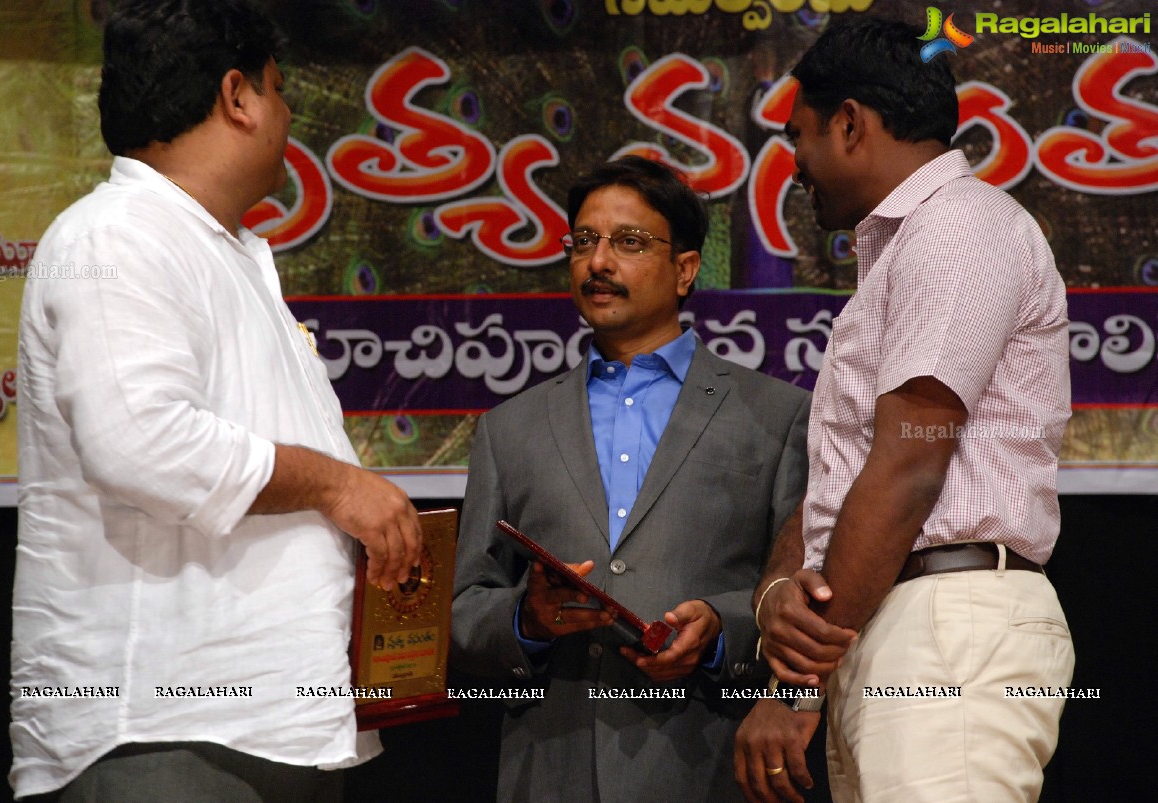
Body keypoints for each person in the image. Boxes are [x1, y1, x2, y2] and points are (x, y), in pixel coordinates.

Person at [10, 2, 422, 799]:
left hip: (263, 728)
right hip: (165, 732)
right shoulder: (116, 236)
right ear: (237, 97)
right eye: (279, 89)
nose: (290, 114)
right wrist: (342, 486)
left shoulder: (212, 249)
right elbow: (141, 443)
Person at [733, 17, 1074, 803]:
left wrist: (792, 689)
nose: (793, 166)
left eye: (799, 136)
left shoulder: (956, 228)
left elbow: (907, 467)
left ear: (849, 123)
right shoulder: (906, 250)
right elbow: (845, 477)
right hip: (894, 627)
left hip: (945, 628)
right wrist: (776, 594)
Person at [450, 155, 812, 803]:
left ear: (685, 269)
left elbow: (804, 591)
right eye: (583, 241)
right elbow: (460, 611)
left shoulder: (777, 416)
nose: (598, 262)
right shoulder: (509, 428)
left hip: (708, 766)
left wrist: (719, 626)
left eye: (628, 242)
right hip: (548, 771)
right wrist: (525, 619)